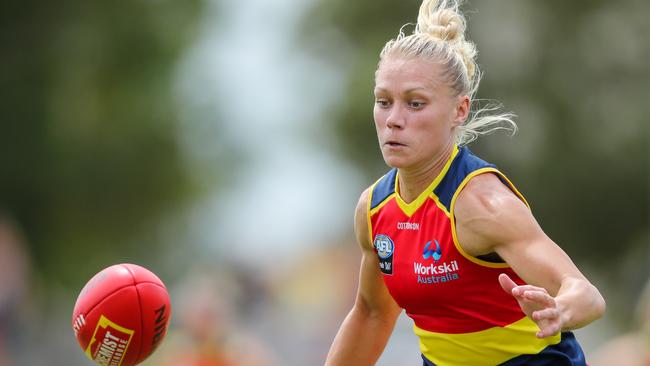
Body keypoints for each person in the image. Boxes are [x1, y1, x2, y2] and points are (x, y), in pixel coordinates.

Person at [324, 1, 606, 365]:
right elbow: (372, 315)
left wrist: (561, 310)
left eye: (415, 103)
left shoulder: (483, 205)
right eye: (383, 101)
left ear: (459, 110)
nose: (393, 119)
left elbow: (587, 295)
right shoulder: (375, 209)